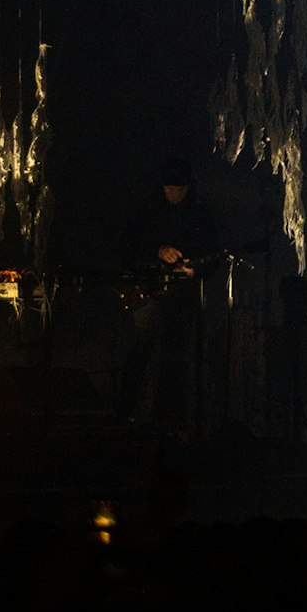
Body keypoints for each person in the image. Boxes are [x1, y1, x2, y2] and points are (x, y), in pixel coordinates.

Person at [119, 156, 218, 429]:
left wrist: (194, 271)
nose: (175, 194)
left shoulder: (198, 213)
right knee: (141, 350)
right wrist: (158, 251)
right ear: (162, 187)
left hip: (181, 296)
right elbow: (127, 247)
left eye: (180, 189)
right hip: (148, 292)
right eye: (171, 188)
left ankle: (167, 419)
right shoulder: (146, 210)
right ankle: (126, 414)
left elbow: (213, 253)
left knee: (175, 356)